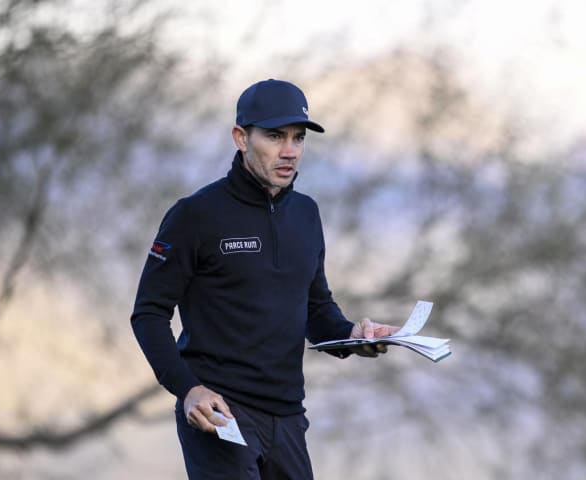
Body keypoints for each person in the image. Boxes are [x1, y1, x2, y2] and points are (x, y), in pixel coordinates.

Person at [130, 78, 399, 479]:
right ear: (241, 137)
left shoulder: (307, 215)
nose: (289, 151)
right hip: (220, 410)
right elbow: (148, 314)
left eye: (298, 138)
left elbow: (315, 309)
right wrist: (188, 389)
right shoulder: (195, 215)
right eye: (275, 137)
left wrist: (353, 339)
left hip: (288, 416)